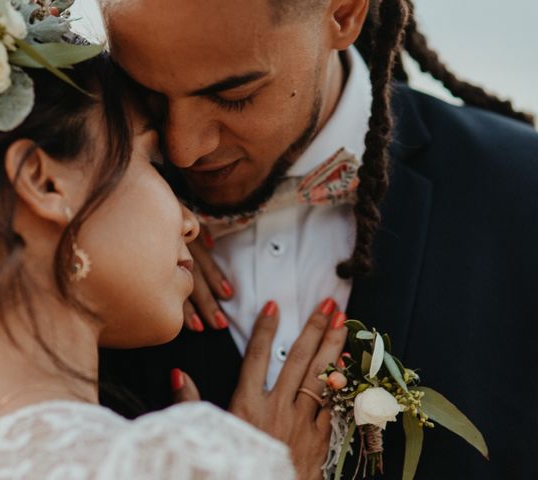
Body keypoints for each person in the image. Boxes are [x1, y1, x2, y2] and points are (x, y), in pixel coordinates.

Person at [0, 2, 347, 479]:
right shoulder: (177, 465)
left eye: (234, 95)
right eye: (150, 160)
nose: (190, 220)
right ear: (44, 182)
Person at [99, 0, 538, 478]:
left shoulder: (521, 191)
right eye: (147, 94)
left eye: (234, 96)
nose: (183, 150)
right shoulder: (81, 219)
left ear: (344, 14)